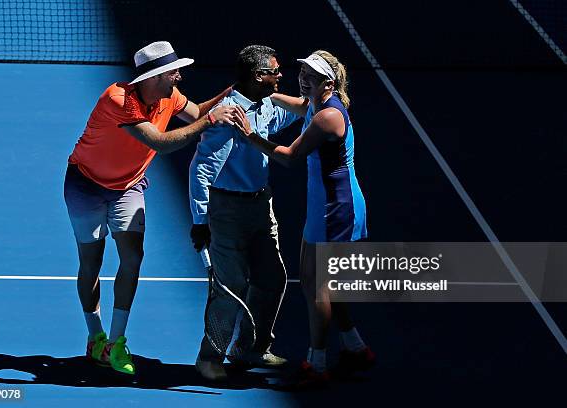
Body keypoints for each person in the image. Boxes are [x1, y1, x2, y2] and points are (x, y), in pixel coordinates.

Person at [64, 41, 237, 375]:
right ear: (153, 77)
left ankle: (116, 343)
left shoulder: (168, 96)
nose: (179, 77)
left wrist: (227, 95)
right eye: (173, 72)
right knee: (91, 262)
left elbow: (198, 112)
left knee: (132, 257)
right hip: (85, 185)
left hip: (127, 186)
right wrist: (212, 120)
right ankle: (95, 337)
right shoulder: (118, 100)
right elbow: (161, 142)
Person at [234, 50, 376, 387]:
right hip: (323, 206)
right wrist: (265, 92)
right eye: (302, 72)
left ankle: (317, 362)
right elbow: (295, 104)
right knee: (324, 284)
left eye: (310, 75)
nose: (303, 78)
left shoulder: (327, 116)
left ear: (327, 82)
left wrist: (249, 134)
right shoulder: (316, 102)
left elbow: (288, 156)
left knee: (317, 288)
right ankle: (356, 348)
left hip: (336, 209)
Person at [189, 45, 300, 381]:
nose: (281, 76)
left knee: (272, 277)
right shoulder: (227, 115)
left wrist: (325, 94)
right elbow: (202, 169)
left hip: (261, 205)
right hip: (227, 210)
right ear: (257, 76)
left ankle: (250, 348)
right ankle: (210, 357)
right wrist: (199, 222)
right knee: (232, 284)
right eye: (275, 71)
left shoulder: (267, 104)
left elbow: (305, 112)